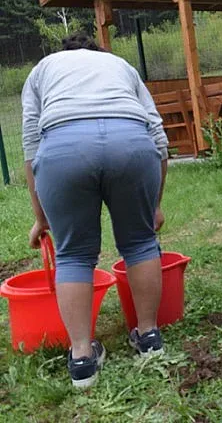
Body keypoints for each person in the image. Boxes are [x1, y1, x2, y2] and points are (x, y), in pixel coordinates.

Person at [21, 31, 168, 388]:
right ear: (97, 52)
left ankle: (83, 359)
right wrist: (155, 205)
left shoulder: (43, 68)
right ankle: (149, 338)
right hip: (130, 142)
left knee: (73, 255)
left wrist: (41, 217)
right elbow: (159, 137)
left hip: (63, 149)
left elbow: (31, 143)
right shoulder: (120, 65)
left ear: (65, 53)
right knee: (140, 243)